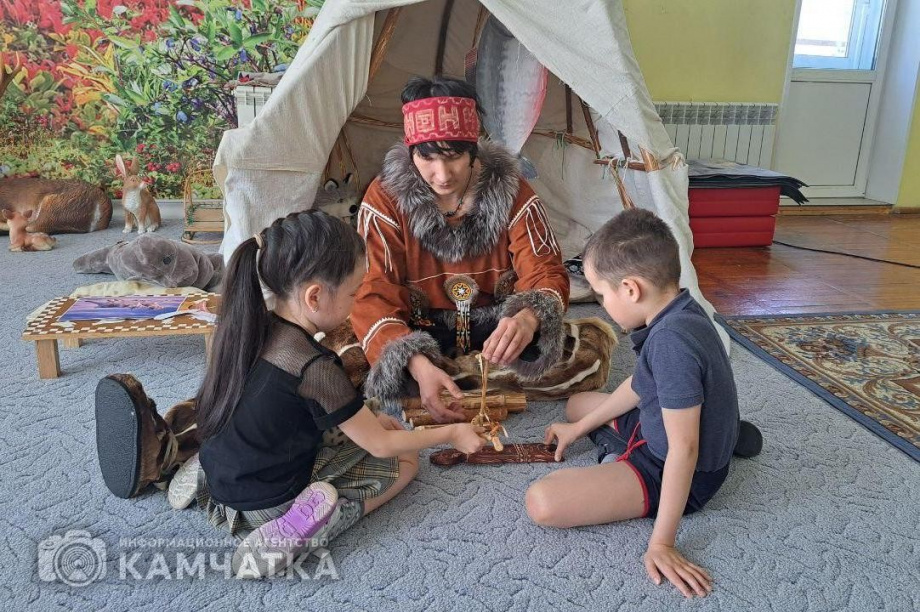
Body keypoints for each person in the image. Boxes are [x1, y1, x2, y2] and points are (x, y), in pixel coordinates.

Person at [93, 210, 484, 578]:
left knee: (367, 421)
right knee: (407, 458)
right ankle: (323, 523)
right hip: (268, 504)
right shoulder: (315, 367)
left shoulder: (248, 325)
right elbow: (382, 445)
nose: (354, 307)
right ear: (315, 297)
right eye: (352, 294)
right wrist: (452, 434)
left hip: (222, 472)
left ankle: (196, 474)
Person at [524, 208, 762, 599]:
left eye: (602, 294)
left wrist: (662, 542)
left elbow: (683, 451)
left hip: (678, 466)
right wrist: (578, 429)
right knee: (577, 407)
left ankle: (627, 454)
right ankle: (724, 430)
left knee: (543, 502)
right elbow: (640, 384)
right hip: (665, 426)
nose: (601, 303)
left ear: (631, 289)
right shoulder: (679, 309)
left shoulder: (671, 343)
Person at [353, 75, 608, 422]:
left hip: (497, 335)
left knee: (589, 357)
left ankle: (440, 383)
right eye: (426, 158)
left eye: (454, 156)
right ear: (411, 150)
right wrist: (412, 359)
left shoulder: (513, 191)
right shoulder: (384, 197)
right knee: (343, 350)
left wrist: (528, 318)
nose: (441, 175)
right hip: (417, 330)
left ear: (473, 149)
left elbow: (545, 269)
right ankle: (439, 376)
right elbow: (373, 290)